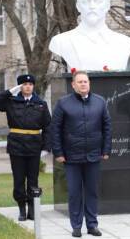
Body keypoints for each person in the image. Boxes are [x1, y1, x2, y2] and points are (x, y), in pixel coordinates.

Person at [50, 71, 112, 237]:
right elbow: (54, 129)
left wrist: (106, 150)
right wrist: (58, 152)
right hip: (71, 157)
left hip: (93, 155)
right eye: (80, 82)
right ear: (73, 84)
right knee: (74, 192)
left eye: (85, 81)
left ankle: (92, 225)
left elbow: (107, 127)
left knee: (92, 192)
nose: (83, 84)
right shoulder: (63, 103)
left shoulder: (100, 102)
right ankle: (76, 226)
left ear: (89, 83)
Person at [0, 74, 51, 221]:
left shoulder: (41, 104)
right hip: (16, 146)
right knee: (18, 180)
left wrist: (46, 147)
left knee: (33, 180)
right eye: (24, 84)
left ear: (33, 86)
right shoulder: (11, 101)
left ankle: (32, 210)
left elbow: (48, 126)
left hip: (34, 146)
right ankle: (22, 209)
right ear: (20, 87)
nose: (27, 86)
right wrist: (10, 91)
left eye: (30, 84)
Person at [48, 0, 130, 71]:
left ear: (107, 6)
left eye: (98, 1)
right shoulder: (61, 41)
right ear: (78, 6)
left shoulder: (125, 43)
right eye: (86, 1)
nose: (92, 6)